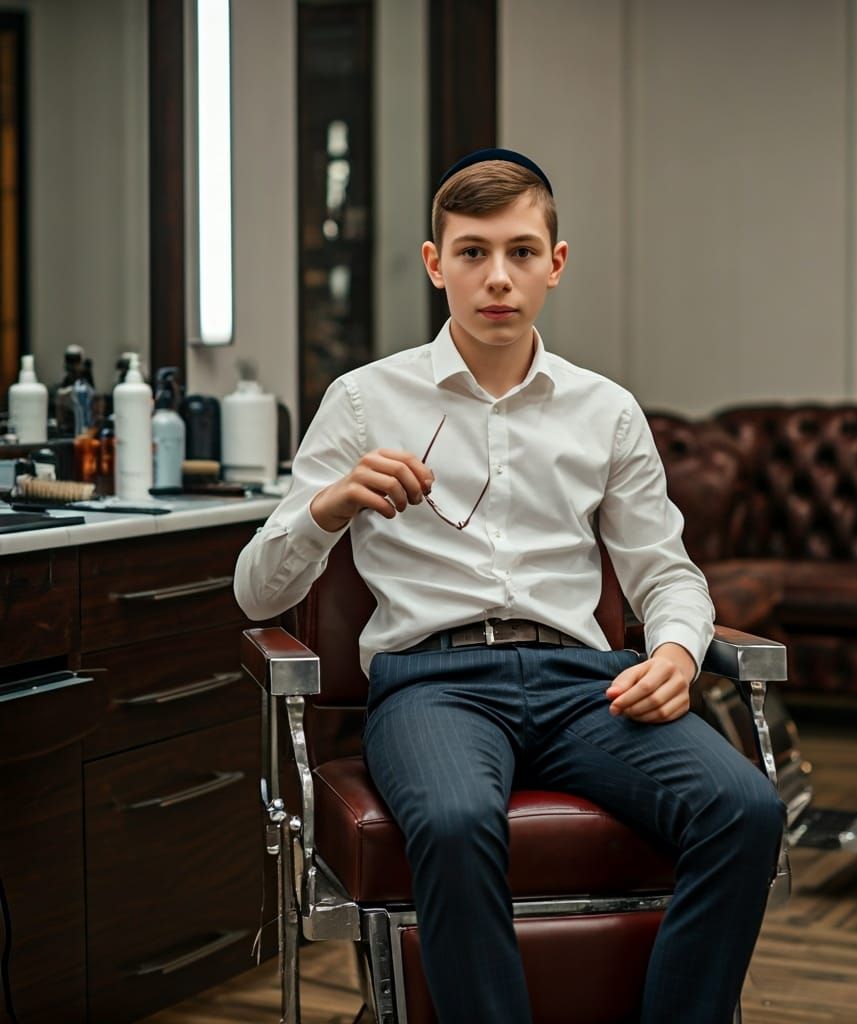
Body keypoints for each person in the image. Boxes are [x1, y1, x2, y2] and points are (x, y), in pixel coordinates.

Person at [234, 148, 785, 1024]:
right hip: (432, 689)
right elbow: (256, 593)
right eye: (473, 253)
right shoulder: (364, 401)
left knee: (747, 809)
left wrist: (678, 650)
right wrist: (331, 507)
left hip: (583, 686)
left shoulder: (604, 410)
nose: (498, 277)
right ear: (434, 264)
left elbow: (665, 572)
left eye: (522, 252)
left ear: (555, 265)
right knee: (454, 825)